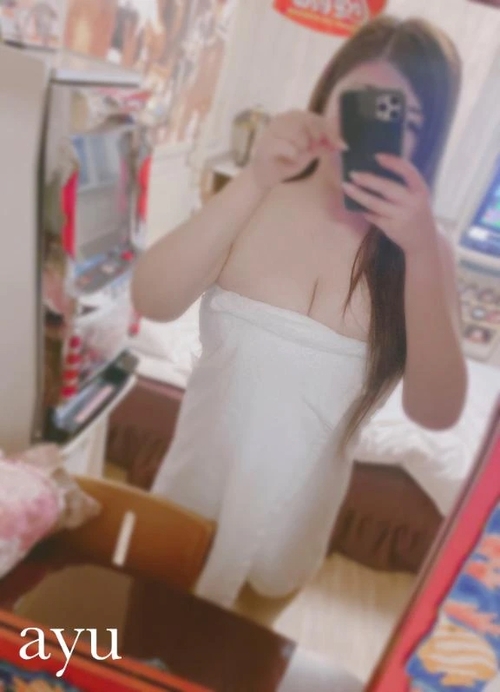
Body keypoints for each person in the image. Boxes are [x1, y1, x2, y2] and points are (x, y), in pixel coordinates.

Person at [132, 16, 468, 608]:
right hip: (184, 503)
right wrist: (255, 175)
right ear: (325, 98)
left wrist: (420, 252)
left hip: (288, 537)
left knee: (245, 656)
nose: (369, 129)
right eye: (356, 102)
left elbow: (436, 411)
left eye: (403, 120)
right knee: (135, 643)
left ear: (428, 140)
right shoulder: (258, 195)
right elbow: (151, 300)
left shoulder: (427, 254)